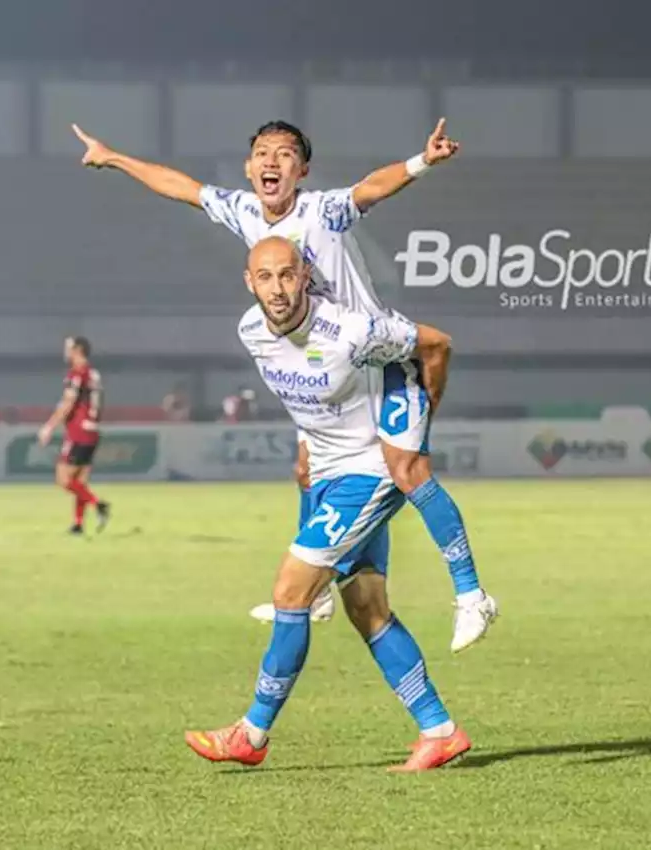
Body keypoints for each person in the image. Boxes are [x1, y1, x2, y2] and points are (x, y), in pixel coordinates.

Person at [72, 118, 497, 652]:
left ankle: (471, 595)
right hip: (327, 370)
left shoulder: (322, 211)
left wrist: (421, 162)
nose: (272, 162)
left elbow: (370, 188)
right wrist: (113, 157)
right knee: (305, 470)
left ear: (303, 170)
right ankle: (315, 597)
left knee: (407, 470)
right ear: (250, 168)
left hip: (378, 357)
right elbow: (181, 187)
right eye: (262, 154)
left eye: (285, 154)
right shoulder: (245, 210)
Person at [184, 237, 470, 771]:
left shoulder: (348, 329)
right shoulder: (251, 332)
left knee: (290, 591)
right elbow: (305, 400)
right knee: (368, 609)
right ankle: (440, 730)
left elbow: (434, 347)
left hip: (370, 472)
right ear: (250, 283)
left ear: (306, 275)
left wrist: (419, 418)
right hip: (331, 475)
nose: (277, 287)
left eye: (287, 275)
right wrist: (305, 448)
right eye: (265, 277)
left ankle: (252, 733)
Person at [38, 336, 112, 534]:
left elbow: (68, 403)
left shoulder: (77, 374)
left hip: (78, 431)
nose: (65, 351)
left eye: (68, 347)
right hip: (93, 429)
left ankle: (99, 504)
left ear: (78, 349)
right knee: (80, 482)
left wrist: (49, 427)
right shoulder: (93, 374)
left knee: (63, 479)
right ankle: (78, 524)